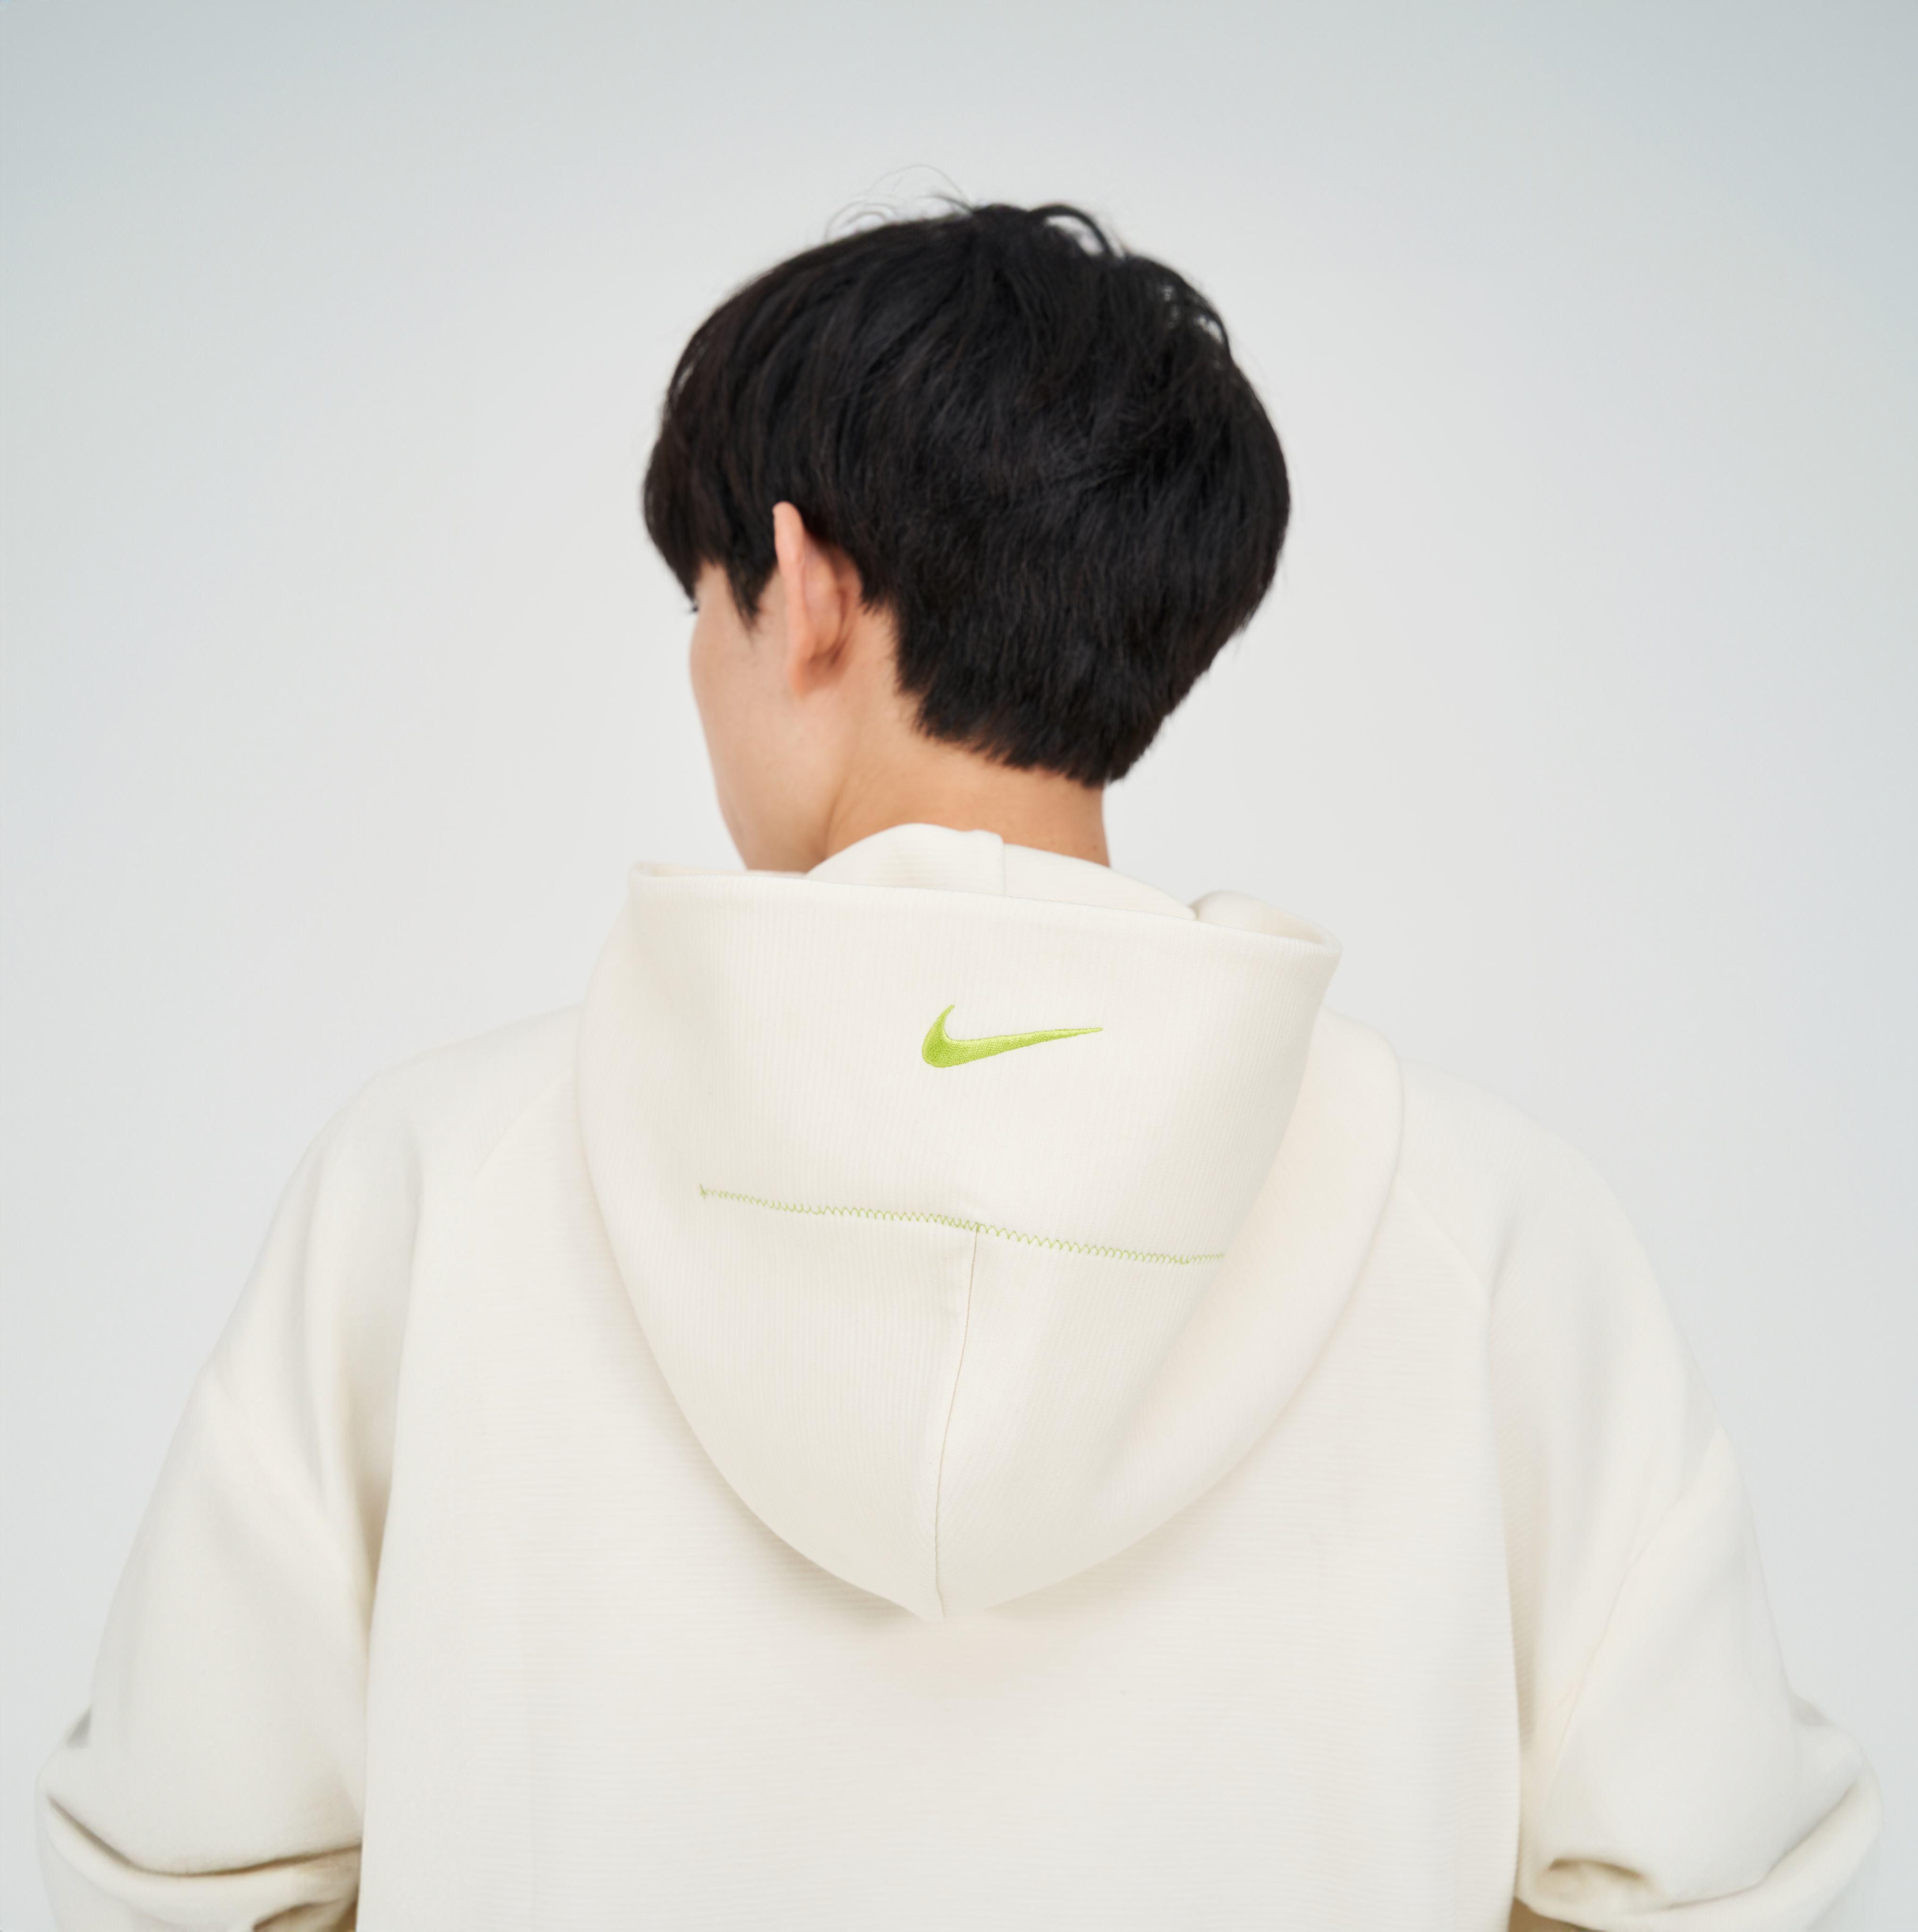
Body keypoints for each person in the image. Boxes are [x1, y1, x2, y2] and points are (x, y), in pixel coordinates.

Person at [36, 201, 1878, 1931]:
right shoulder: (1488, 1229)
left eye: (702, 605)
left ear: (802, 589)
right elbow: (1720, 1884)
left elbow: (181, 1875)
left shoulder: (439, 1187)